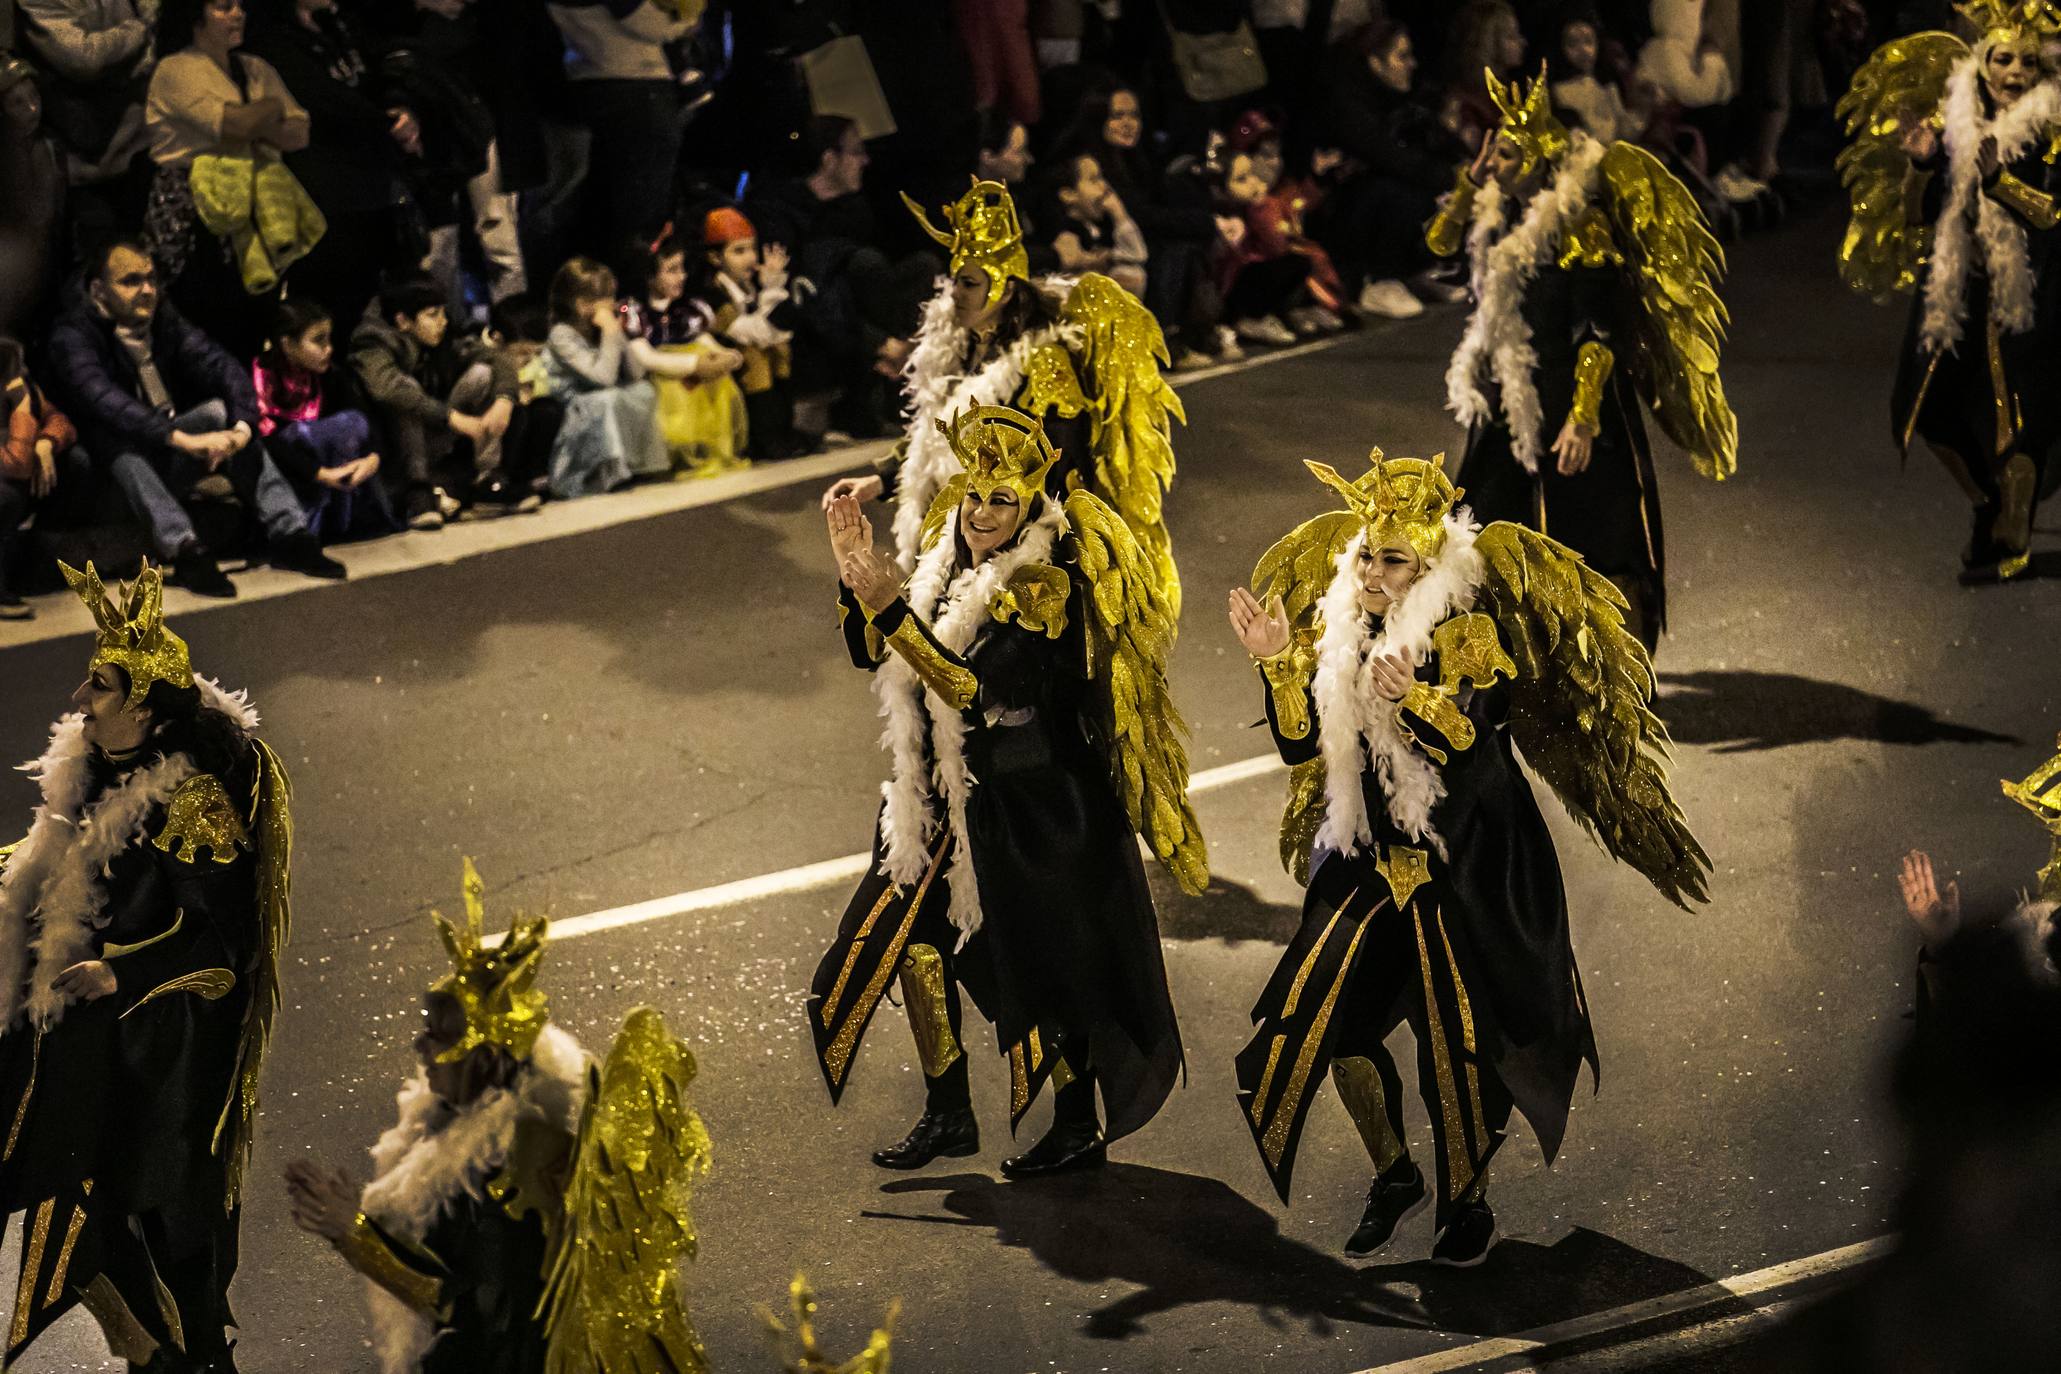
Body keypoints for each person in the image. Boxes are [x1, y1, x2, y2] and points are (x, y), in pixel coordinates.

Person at [1226, 452, 1708, 1265]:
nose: (1373, 572)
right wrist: (1278, 662)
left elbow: (1468, 742)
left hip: (1464, 861)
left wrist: (1409, 695)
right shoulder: (1338, 625)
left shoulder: (1467, 628)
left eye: (1393, 559)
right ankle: (1394, 1174)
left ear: (1429, 564)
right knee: (1318, 1029)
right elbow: (1300, 741)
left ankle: (1466, 1205)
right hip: (1369, 855)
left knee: (1458, 1043)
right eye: (1366, 555)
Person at [811, 405, 1203, 1177]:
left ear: (1030, 508)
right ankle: (948, 1110)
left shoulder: (1042, 586)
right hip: (929, 803)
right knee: (913, 946)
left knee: (1039, 966)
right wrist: (854, 578)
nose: (981, 514)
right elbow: (871, 654)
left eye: (1001, 501)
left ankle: (1075, 1123)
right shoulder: (936, 563)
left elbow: (968, 687)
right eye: (972, 497)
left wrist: (890, 608)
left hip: (1029, 807)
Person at [0, 559, 292, 1371]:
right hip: (88, 1035)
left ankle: (195, 1356)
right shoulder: (88, 769)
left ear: (142, 704)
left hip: (162, 1048)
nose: (77, 702)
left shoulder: (191, 799)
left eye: (97, 686)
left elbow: (221, 942)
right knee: (85, 1204)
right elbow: (52, 870)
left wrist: (119, 974)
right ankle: (150, 1355)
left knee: (164, 1217)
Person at [284, 860, 710, 1374]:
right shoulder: (452, 1122)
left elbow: (465, 1301)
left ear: (484, 1059)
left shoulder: (510, 1175)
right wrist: (355, 1216)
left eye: (438, 1038)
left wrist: (354, 1234)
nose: (420, 1045)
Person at [1426, 66, 1736, 650]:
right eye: (1494, 156)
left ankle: (1632, 672)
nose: (1495, 166)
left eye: (1508, 156)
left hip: (1572, 396)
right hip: (1509, 401)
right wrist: (1471, 181)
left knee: (1605, 539)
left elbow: (1598, 329)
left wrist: (1584, 416)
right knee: (1477, 529)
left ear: (1542, 154)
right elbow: (1439, 243)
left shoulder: (1581, 225)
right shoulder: (1494, 216)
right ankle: (1499, 665)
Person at [820, 179, 1187, 616]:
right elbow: (940, 431)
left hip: (1013, 549)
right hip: (962, 528)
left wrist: (989, 536)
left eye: (970, 283)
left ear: (1007, 290)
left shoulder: (1044, 363)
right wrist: (881, 479)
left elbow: (1056, 472)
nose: (955, 292)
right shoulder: (959, 342)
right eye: (955, 280)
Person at [1835, 3, 2061, 583]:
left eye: (2026, 62)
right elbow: (1919, 215)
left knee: (2019, 419)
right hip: (1959, 289)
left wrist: (2001, 184)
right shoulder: (1957, 119)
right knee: (1923, 408)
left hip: (2034, 290)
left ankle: (2013, 529)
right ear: (1982, 64)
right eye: (2002, 58)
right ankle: (1990, 506)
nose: (2013, 71)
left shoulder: (2054, 127)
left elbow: (2055, 215)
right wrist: (1922, 163)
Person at [46, 238, 346, 596]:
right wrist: (179, 438)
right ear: (99, 290)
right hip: (101, 479)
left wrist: (242, 428)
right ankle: (186, 550)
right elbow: (103, 401)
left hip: (158, 456)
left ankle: (291, 535)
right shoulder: (72, 335)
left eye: (150, 279)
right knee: (113, 438)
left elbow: (219, 364)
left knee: (219, 413)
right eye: (130, 281)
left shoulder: (162, 317)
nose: (146, 290)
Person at [143, 0, 319, 358]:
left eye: (240, 5)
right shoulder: (175, 69)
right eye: (224, 7)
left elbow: (299, 133)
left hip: (257, 210)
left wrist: (250, 123)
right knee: (204, 330)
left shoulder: (256, 67)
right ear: (194, 17)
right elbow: (237, 124)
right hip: (195, 215)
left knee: (255, 323)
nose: (238, 13)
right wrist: (269, 111)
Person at [745, 116, 936, 443]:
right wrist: (876, 340)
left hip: (848, 317)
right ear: (828, 159)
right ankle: (877, 383)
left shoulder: (854, 208)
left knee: (923, 266)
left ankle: (896, 364)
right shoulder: (780, 211)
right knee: (859, 267)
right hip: (800, 317)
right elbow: (804, 289)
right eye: (856, 151)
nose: (865, 160)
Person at [242, 0, 422, 338]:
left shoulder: (339, 25)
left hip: (370, 187)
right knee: (325, 315)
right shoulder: (269, 38)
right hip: (323, 196)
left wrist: (400, 106)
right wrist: (386, 124)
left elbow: (380, 70)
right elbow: (320, 99)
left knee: (367, 308)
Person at [1316, 19, 1474, 320]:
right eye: (1401, 57)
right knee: (1400, 190)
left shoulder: (1401, 101)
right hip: (1338, 214)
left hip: (1372, 202)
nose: (1411, 65)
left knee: (1449, 185)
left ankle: (1416, 269)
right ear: (1374, 62)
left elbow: (1436, 146)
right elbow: (1389, 158)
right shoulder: (1349, 105)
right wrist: (1455, 177)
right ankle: (1376, 280)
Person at [350, 272, 526, 528]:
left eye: (443, 312)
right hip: (390, 449)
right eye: (433, 315)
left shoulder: (443, 333)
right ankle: (417, 491)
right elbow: (387, 388)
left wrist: (504, 399)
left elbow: (494, 358)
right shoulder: (371, 340)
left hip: (432, 434)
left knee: (483, 373)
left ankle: (487, 479)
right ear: (403, 321)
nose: (442, 322)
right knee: (405, 391)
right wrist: (451, 418)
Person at [254, 297, 401, 542]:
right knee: (343, 425)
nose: (328, 349)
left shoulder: (329, 375)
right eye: (318, 341)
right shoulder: (262, 376)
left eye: (329, 339)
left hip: (335, 472)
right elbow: (268, 440)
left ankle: (343, 519)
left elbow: (365, 416)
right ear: (288, 345)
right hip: (291, 473)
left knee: (354, 423)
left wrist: (372, 459)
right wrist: (320, 473)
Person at [619, 228, 749, 477]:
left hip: (693, 374)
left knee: (719, 383)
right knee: (675, 389)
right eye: (672, 270)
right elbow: (647, 358)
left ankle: (710, 446)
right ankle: (675, 453)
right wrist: (695, 364)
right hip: (660, 379)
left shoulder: (687, 309)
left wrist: (726, 356)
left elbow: (702, 339)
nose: (682, 276)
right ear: (648, 276)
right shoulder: (633, 311)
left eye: (682, 269)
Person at [541, 255, 664, 497]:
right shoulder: (561, 334)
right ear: (580, 304)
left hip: (601, 395)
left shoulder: (602, 329)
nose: (611, 304)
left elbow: (636, 373)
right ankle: (609, 472)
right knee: (607, 399)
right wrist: (609, 331)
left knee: (643, 391)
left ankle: (638, 465)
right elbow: (602, 378)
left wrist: (619, 334)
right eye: (603, 298)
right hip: (574, 405)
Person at [1, 338, 96, 619]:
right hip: (9, 471)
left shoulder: (16, 376)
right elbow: (18, 460)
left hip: (15, 465)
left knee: (75, 462)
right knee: (6, 495)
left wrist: (46, 442)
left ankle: (35, 565)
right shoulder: (18, 391)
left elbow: (59, 420)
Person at [697, 207, 802, 461]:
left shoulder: (746, 288)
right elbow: (754, 333)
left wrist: (770, 289)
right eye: (739, 251)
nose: (750, 259)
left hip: (747, 354)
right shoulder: (714, 295)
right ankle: (764, 439)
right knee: (755, 355)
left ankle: (782, 431)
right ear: (714, 257)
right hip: (721, 360)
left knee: (780, 351)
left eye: (752, 249)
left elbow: (776, 335)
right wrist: (771, 288)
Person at [1036, 151, 1149, 297]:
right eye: (1094, 179)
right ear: (1068, 195)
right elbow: (1136, 254)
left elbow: (1138, 256)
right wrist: (1119, 213)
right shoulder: (1067, 232)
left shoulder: (1099, 228)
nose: (1105, 187)